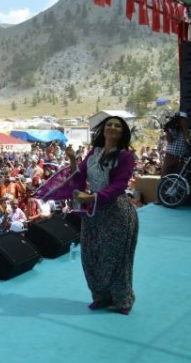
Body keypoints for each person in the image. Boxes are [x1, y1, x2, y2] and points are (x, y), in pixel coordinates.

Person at [43, 116, 138, 315]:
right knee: (90, 255)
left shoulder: (125, 156)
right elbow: (79, 176)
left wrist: (93, 197)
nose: (112, 127)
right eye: (109, 124)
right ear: (103, 129)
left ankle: (122, 300)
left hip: (116, 212)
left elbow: (120, 185)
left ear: (123, 132)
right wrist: (72, 159)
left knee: (115, 257)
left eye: (117, 126)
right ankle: (101, 296)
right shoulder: (94, 153)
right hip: (93, 212)